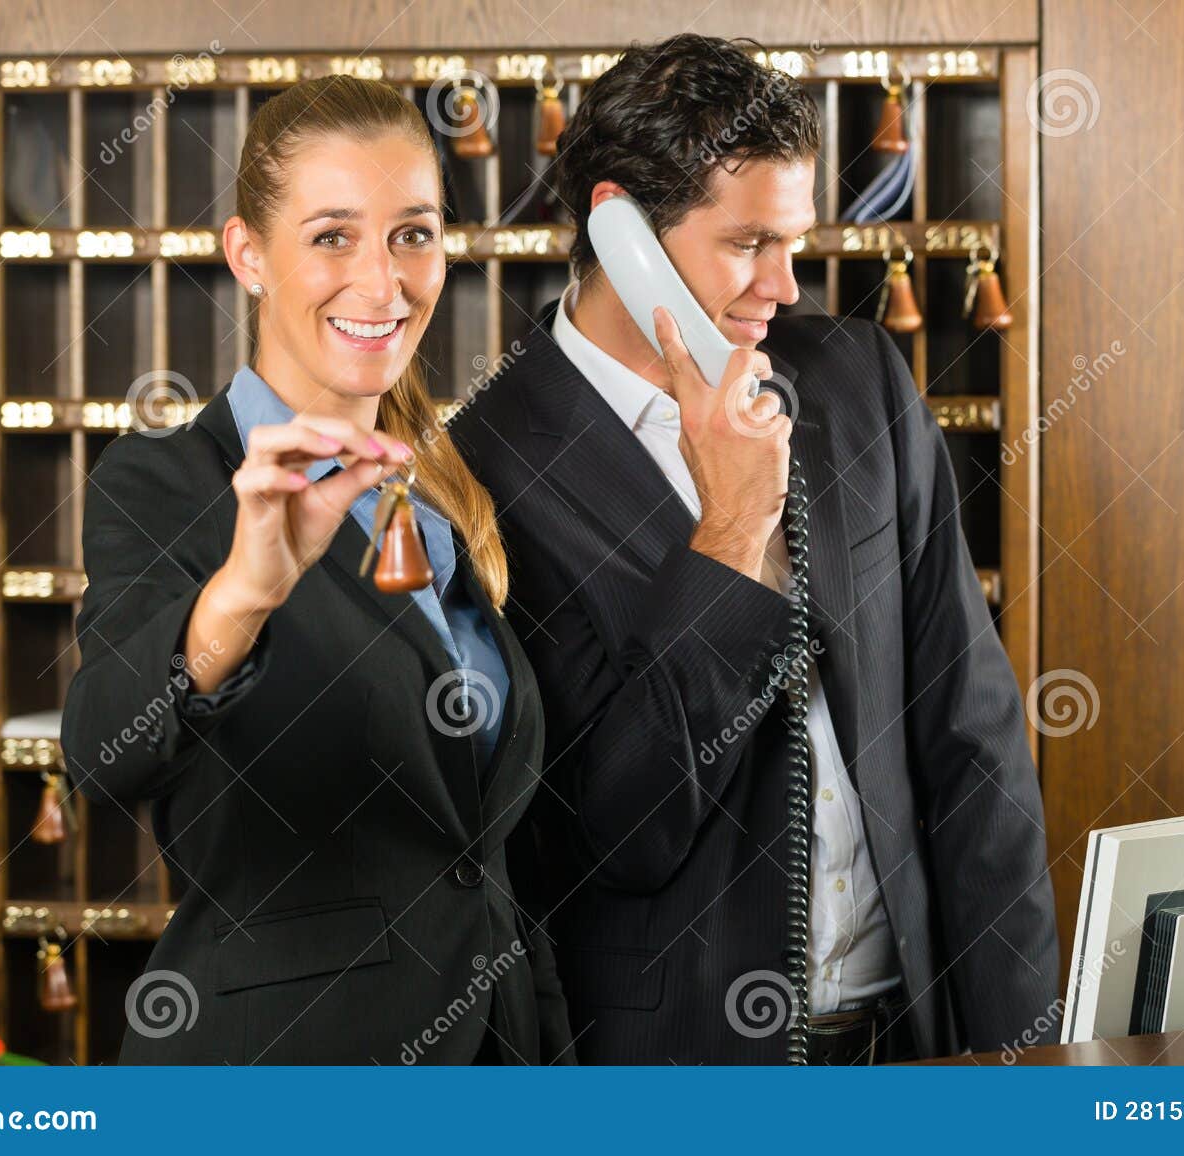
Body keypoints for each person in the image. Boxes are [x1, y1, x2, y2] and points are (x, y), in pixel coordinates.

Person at [448, 33, 1059, 1064]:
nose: (783, 284)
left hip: (907, 1040)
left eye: (793, 240)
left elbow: (972, 738)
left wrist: (1027, 1055)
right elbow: (606, 828)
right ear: (621, 230)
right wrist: (729, 533)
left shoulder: (856, 379)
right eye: (746, 243)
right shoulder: (484, 471)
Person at [60, 75, 572, 1065]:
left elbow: (480, 851)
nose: (383, 283)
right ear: (248, 254)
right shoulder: (170, 481)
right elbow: (100, 750)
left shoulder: (449, 490)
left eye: (412, 233)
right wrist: (243, 593)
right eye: (332, 235)